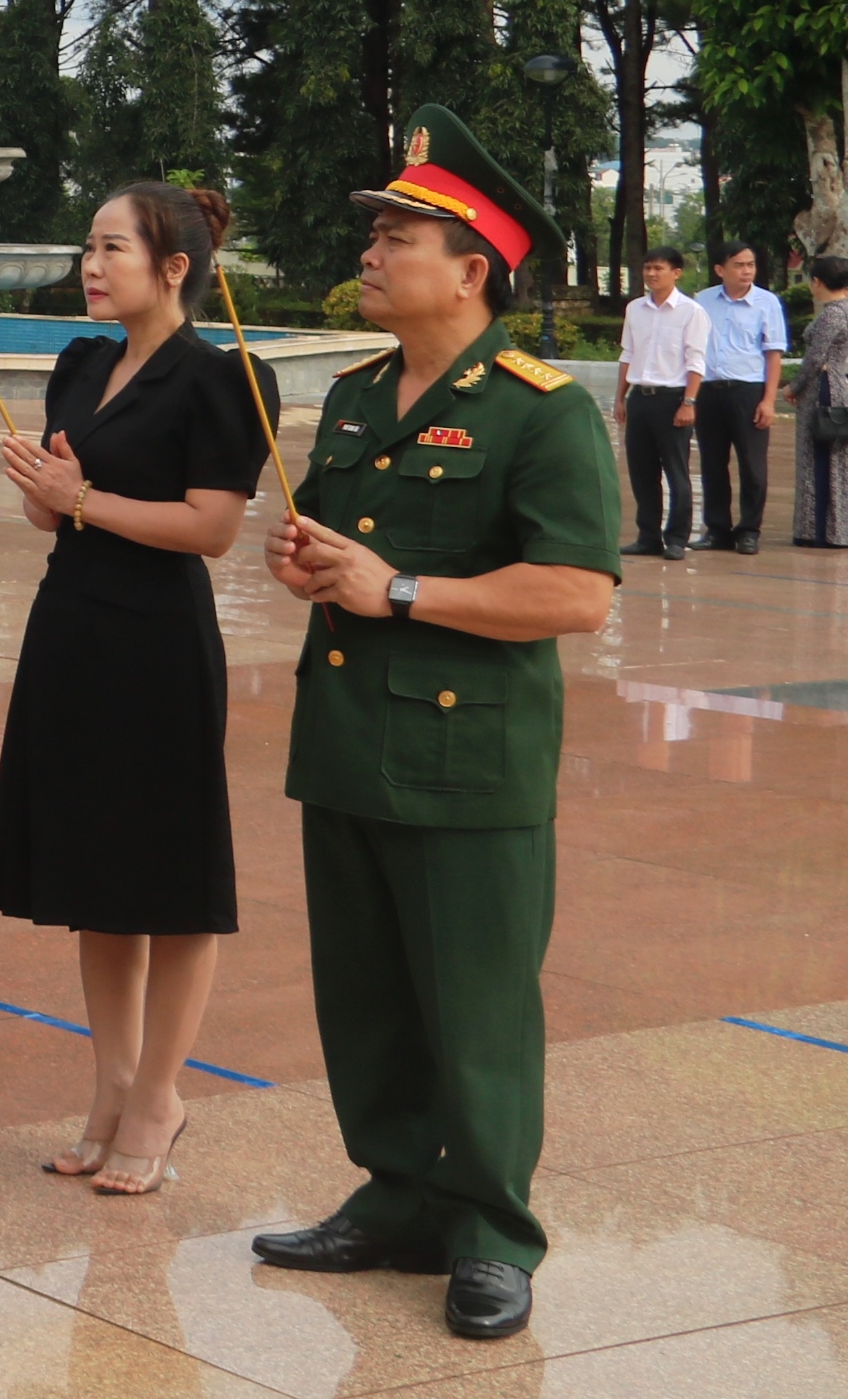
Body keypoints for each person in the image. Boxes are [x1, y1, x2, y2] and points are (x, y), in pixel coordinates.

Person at [253, 105, 620, 1346]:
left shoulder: (538, 410)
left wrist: (396, 588)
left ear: (471, 269)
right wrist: (310, 560)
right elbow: (341, 548)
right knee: (364, 1000)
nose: (368, 249)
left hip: (469, 762)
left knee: (474, 1008)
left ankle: (488, 1231)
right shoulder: (356, 396)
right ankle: (396, 1196)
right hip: (350, 741)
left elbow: (575, 591)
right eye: (373, 231)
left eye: (395, 233)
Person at [0, 182, 276, 1196]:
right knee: (94, 873)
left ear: (173, 267)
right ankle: (108, 1082)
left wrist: (82, 498)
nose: (89, 263)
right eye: (87, 244)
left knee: (167, 876)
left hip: (157, 637)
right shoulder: (80, 361)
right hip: (71, 625)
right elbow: (56, 516)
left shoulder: (222, 378)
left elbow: (209, 527)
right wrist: (42, 490)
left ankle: (160, 1091)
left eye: (111, 246)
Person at [691, 243, 786, 553]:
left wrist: (768, 400)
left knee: (752, 465)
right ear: (720, 269)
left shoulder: (766, 302)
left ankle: (748, 530)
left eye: (751, 264)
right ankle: (717, 530)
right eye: (739, 265)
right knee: (712, 464)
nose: (747, 271)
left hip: (748, 392)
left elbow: (773, 354)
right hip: (709, 391)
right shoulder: (702, 301)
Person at [612, 246, 701, 563]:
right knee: (641, 471)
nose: (651, 274)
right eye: (648, 268)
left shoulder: (691, 311)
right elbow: (627, 354)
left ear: (676, 272)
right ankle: (647, 536)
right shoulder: (635, 308)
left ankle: (676, 538)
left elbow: (696, 361)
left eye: (658, 268)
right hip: (640, 398)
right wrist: (620, 398)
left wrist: (688, 402)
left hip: (673, 399)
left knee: (676, 472)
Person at [792, 255, 848, 549]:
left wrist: (795, 386)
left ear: (816, 282)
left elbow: (815, 358)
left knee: (819, 457)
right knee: (834, 458)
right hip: (839, 383)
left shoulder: (832, 315)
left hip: (824, 389)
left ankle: (820, 530)